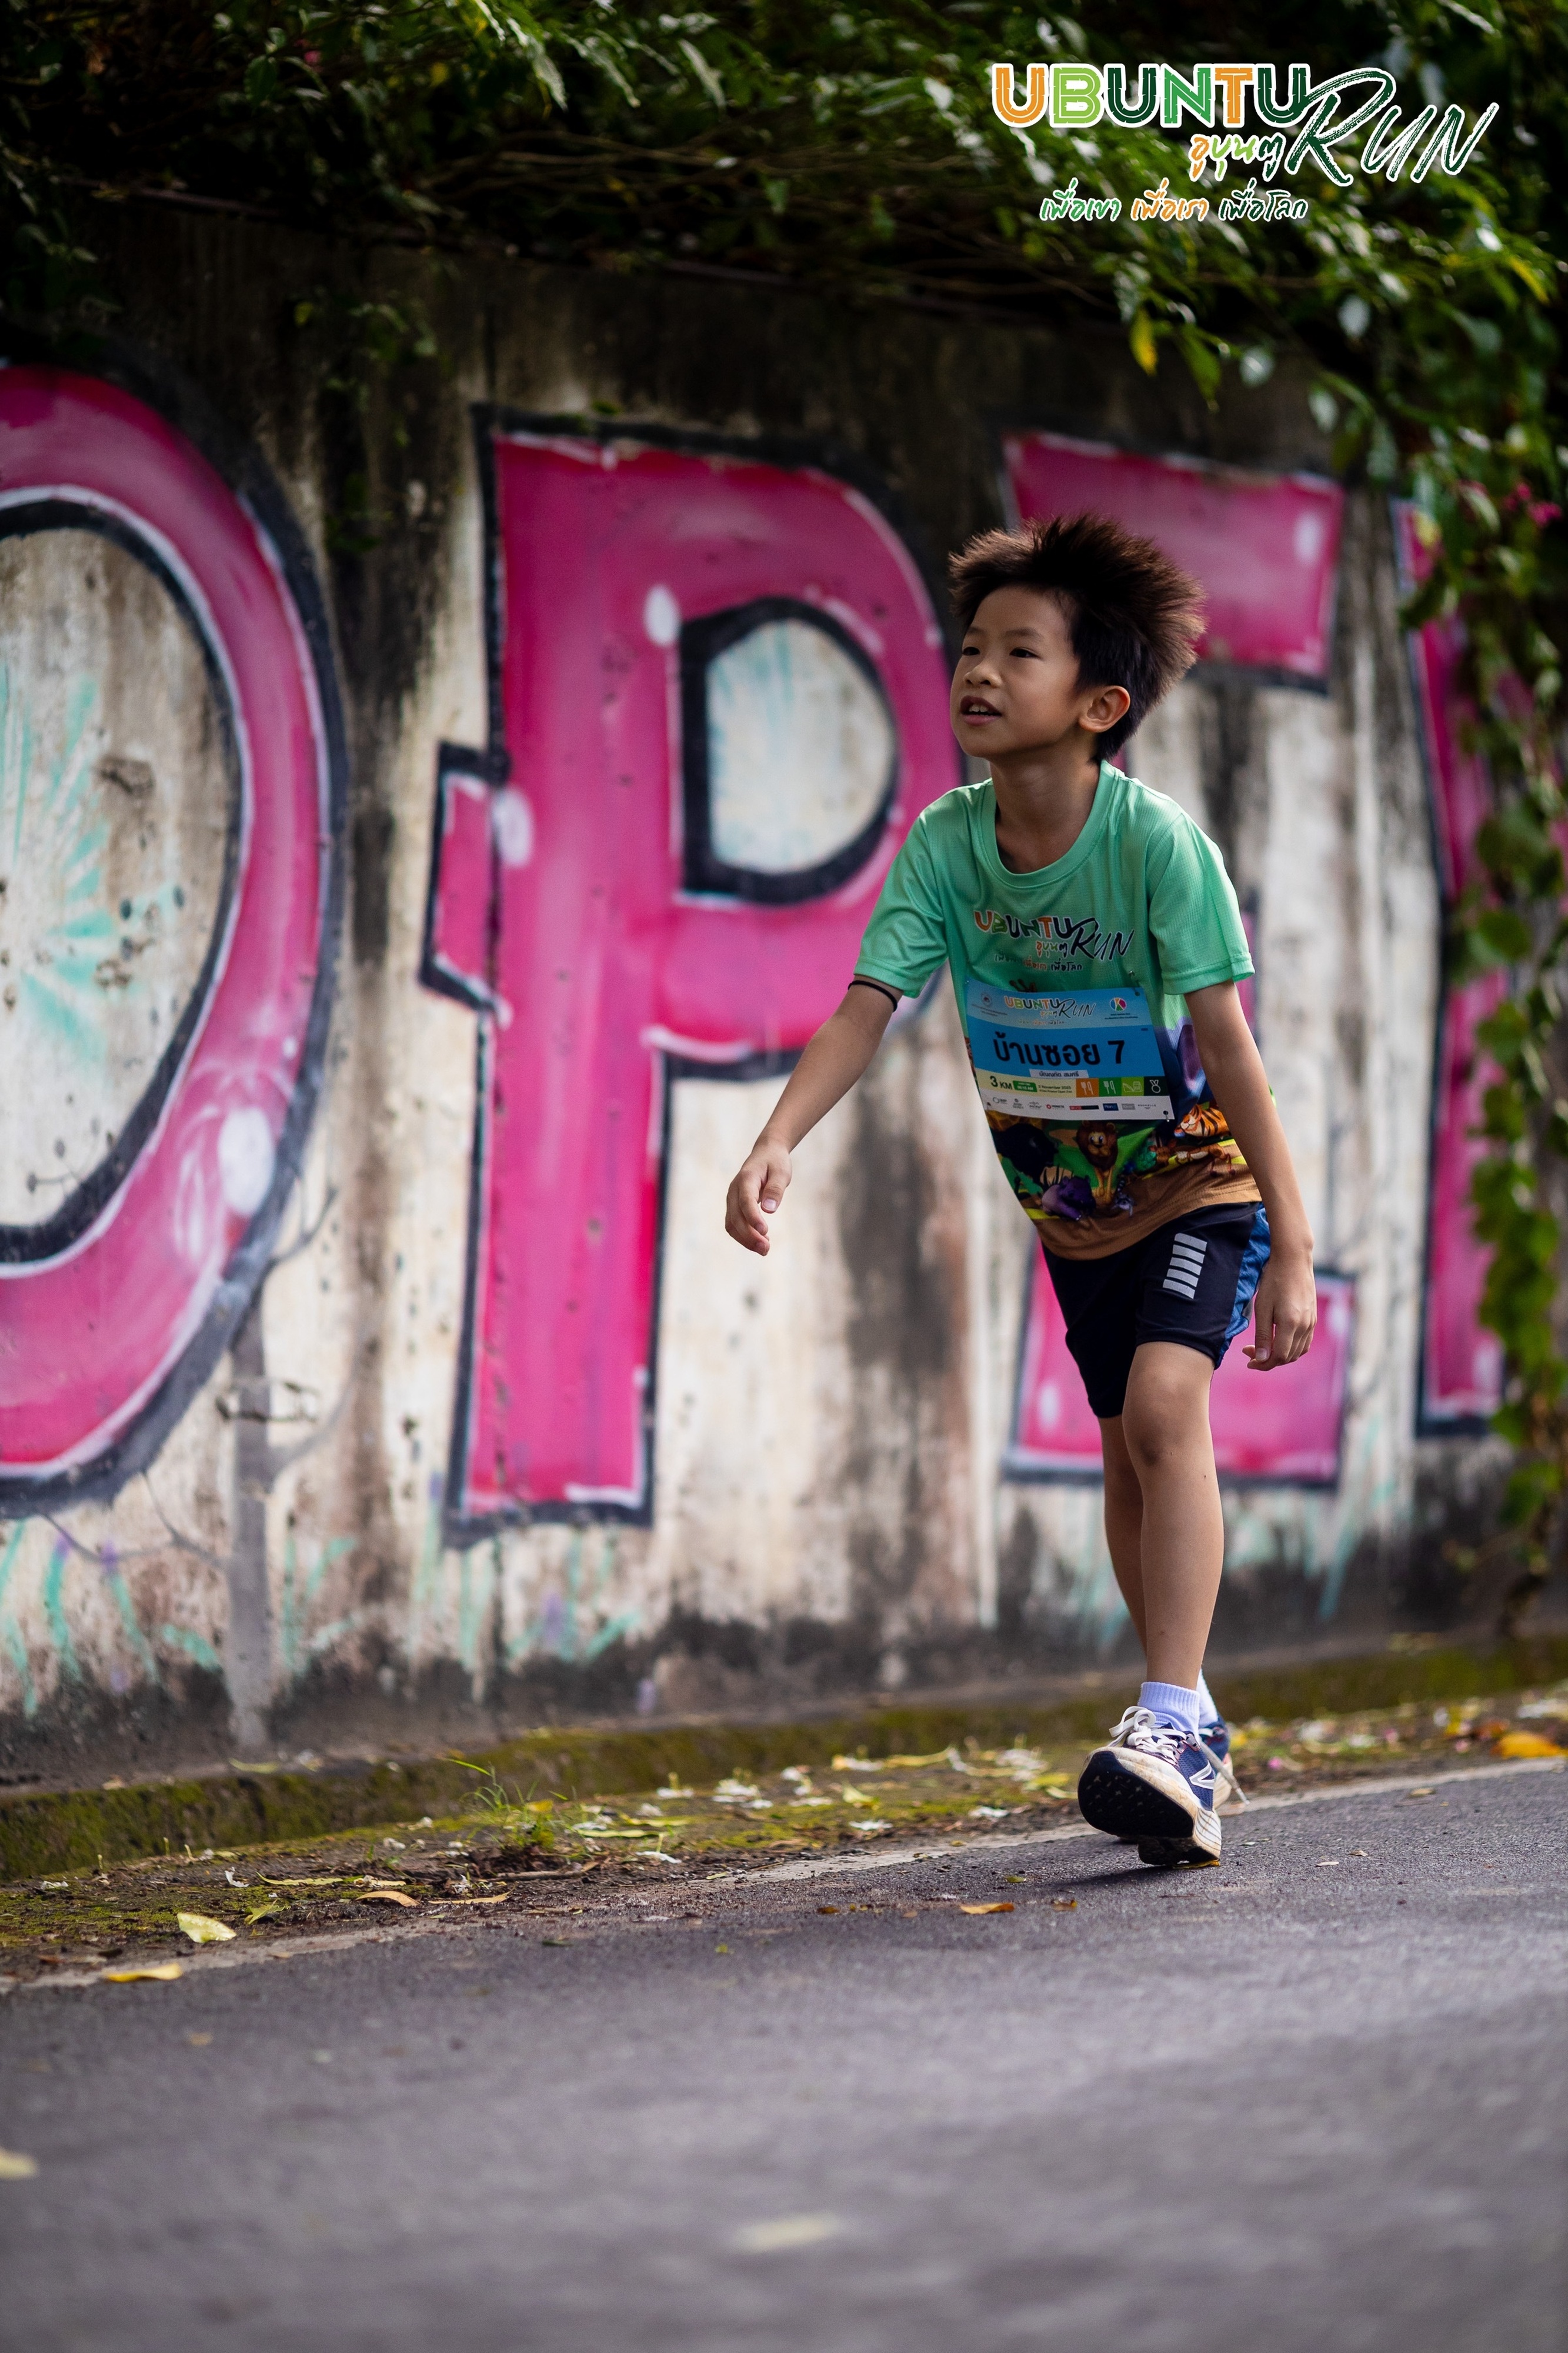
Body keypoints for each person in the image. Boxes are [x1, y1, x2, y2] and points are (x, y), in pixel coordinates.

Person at [723, 511, 1317, 1868]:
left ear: (1099, 703)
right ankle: (1186, 1733)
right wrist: (777, 1137)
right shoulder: (946, 847)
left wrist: (1292, 1244)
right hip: (1074, 1214)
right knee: (1124, 1449)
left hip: (1198, 1181)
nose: (979, 672)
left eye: (1020, 651)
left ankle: (1172, 1711)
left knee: (1164, 1410)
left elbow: (1231, 1048)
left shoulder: (1155, 846)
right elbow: (868, 1002)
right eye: (972, 648)